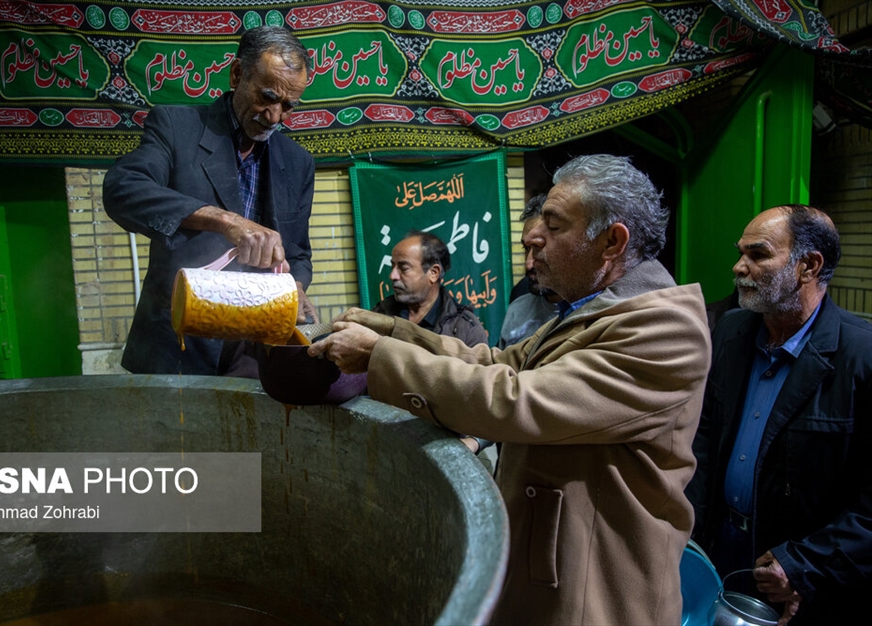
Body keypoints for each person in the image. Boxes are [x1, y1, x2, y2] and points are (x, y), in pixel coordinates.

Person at [309, 154, 711, 625]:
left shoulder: (664, 329)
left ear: (611, 242)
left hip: (593, 592)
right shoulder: (586, 311)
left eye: (555, 226)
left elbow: (519, 400)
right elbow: (498, 364)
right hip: (545, 565)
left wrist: (379, 358)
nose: (535, 239)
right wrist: (394, 333)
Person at [686, 204, 871, 625]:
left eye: (758, 254)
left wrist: (806, 562)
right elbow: (705, 437)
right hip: (719, 551)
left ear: (808, 266)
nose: (738, 267)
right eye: (740, 253)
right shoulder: (731, 331)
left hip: (798, 577)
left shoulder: (861, 358)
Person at [103, 26, 318, 375]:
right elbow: (122, 187)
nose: (275, 117)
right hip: (177, 345)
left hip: (254, 352)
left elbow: (298, 254)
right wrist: (225, 220)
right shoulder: (177, 126)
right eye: (266, 97)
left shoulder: (298, 162)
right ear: (237, 75)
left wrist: (295, 286)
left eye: (287, 105)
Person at [372, 231, 487, 348]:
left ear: (433, 273)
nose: (393, 276)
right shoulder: (380, 315)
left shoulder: (466, 329)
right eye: (393, 267)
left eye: (404, 268)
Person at [496, 193, 561, 349]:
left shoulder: (596, 313)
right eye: (526, 248)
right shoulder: (520, 298)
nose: (528, 264)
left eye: (539, 248)